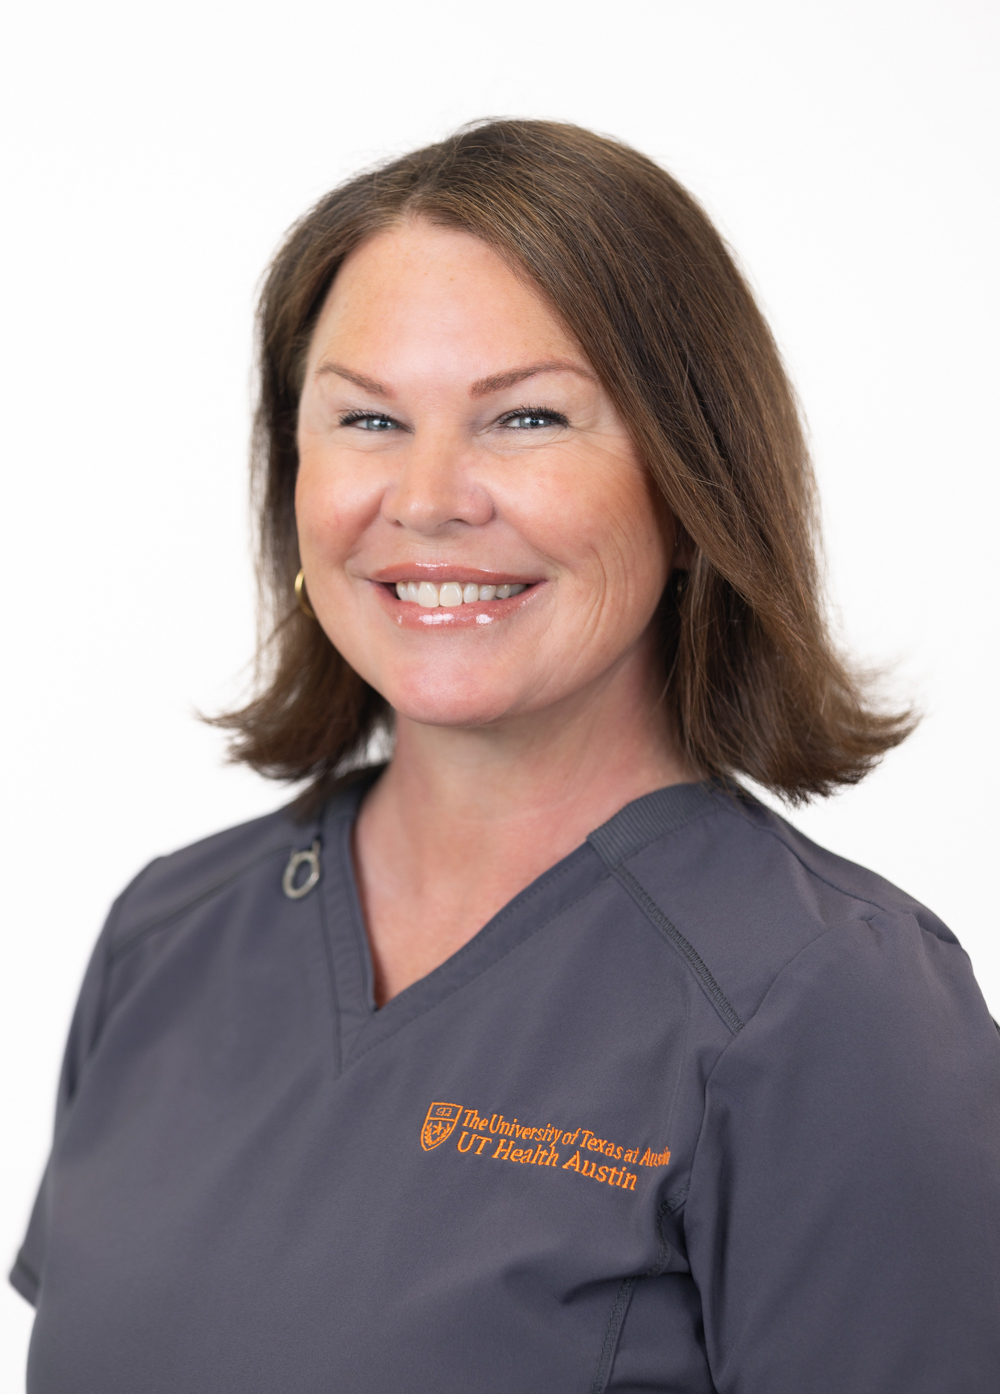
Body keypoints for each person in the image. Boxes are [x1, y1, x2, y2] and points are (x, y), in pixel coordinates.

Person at [11, 120, 1000, 1393]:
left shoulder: (835, 1008)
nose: (428, 496)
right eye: (367, 417)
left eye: (525, 416)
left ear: (693, 484)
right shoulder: (170, 933)